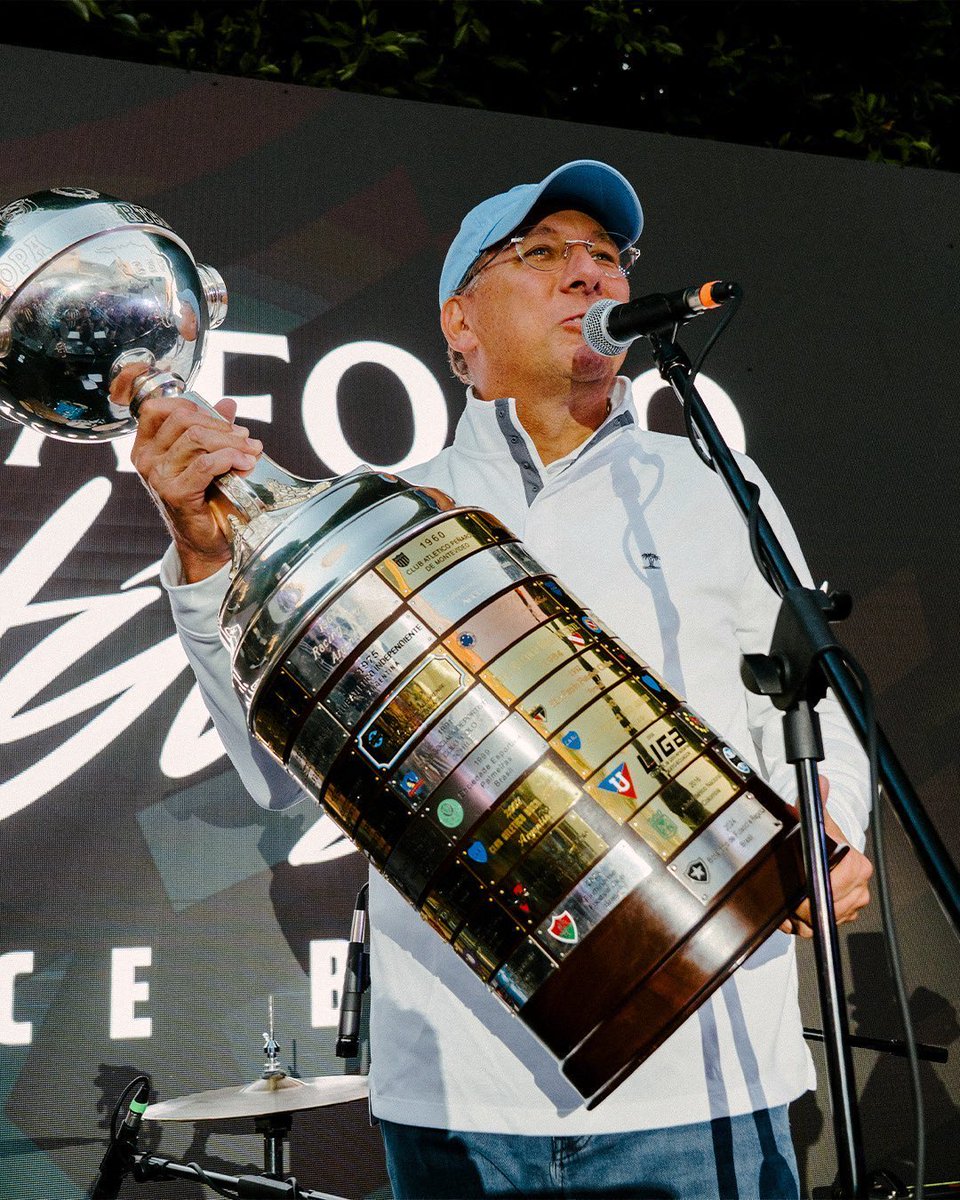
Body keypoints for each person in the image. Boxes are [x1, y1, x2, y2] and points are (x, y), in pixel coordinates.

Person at [131, 160, 873, 1199]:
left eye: (607, 257)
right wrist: (206, 565)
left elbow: (814, 700)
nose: (589, 277)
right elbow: (272, 772)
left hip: (708, 1076)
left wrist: (829, 819)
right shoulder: (389, 512)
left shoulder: (714, 485)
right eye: (542, 254)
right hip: (461, 1103)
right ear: (460, 325)